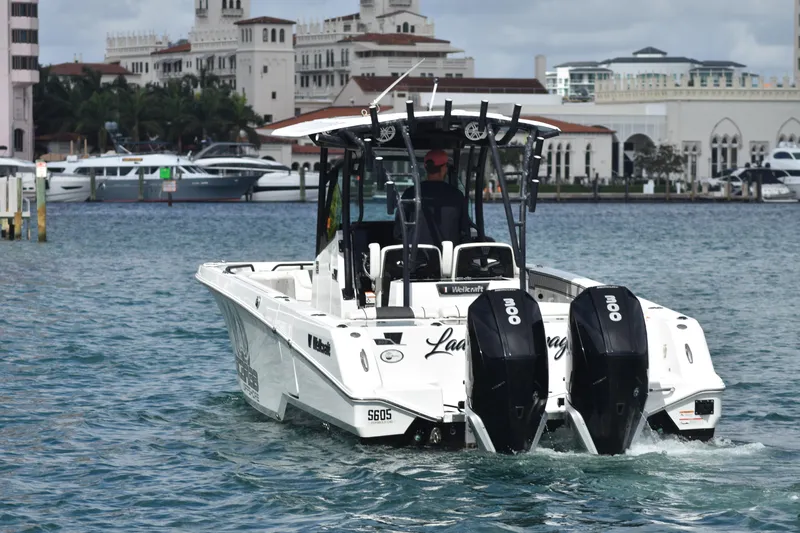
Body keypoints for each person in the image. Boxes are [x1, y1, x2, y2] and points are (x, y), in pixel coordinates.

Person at [393, 149, 472, 248]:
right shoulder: (457, 195)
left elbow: (399, 232)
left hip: (416, 255)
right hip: (448, 255)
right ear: (444, 168)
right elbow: (465, 232)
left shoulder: (410, 194)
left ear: (425, 167)